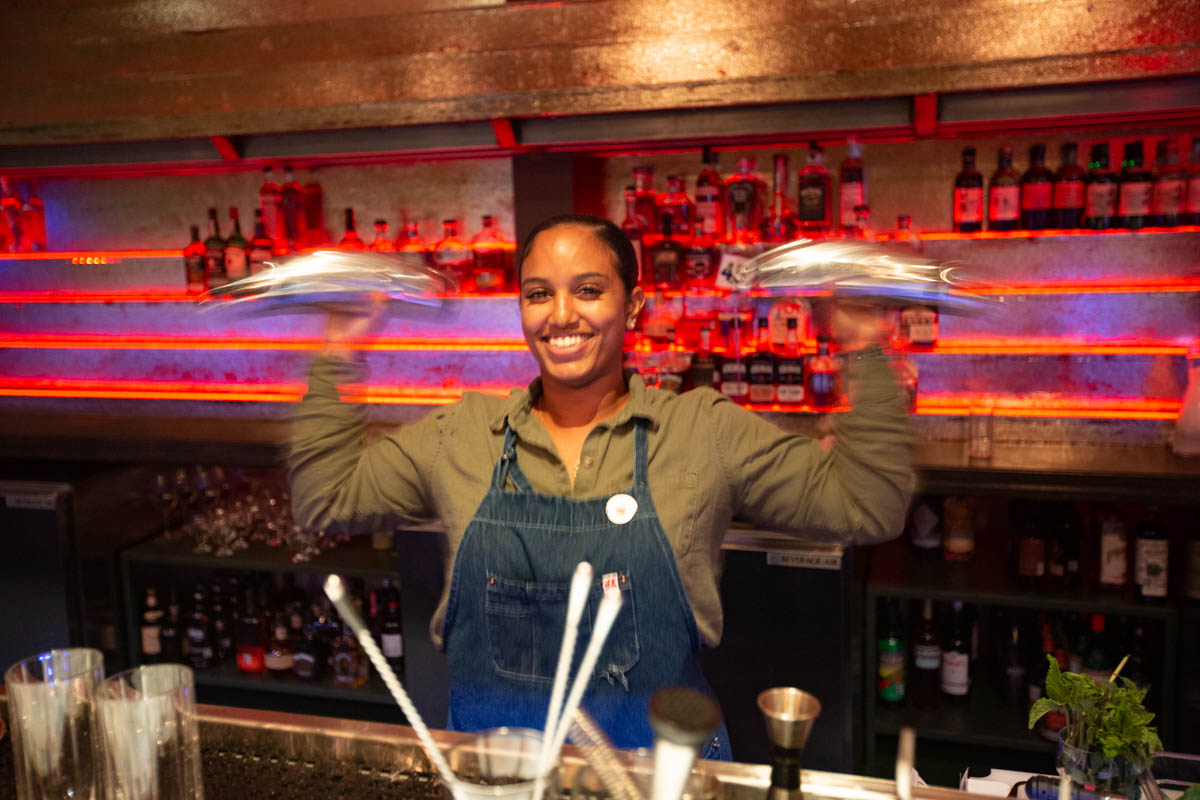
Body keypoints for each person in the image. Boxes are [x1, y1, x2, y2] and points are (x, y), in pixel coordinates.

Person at [289, 214, 912, 760]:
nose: (562, 315)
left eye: (588, 290)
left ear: (633, 306)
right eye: (539, 294)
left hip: (663, 775)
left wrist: (865, 346)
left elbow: (866, 505)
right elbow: (326, 497)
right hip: (498, 777)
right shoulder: (464, 434)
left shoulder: (701, 430)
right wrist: (339, 348)